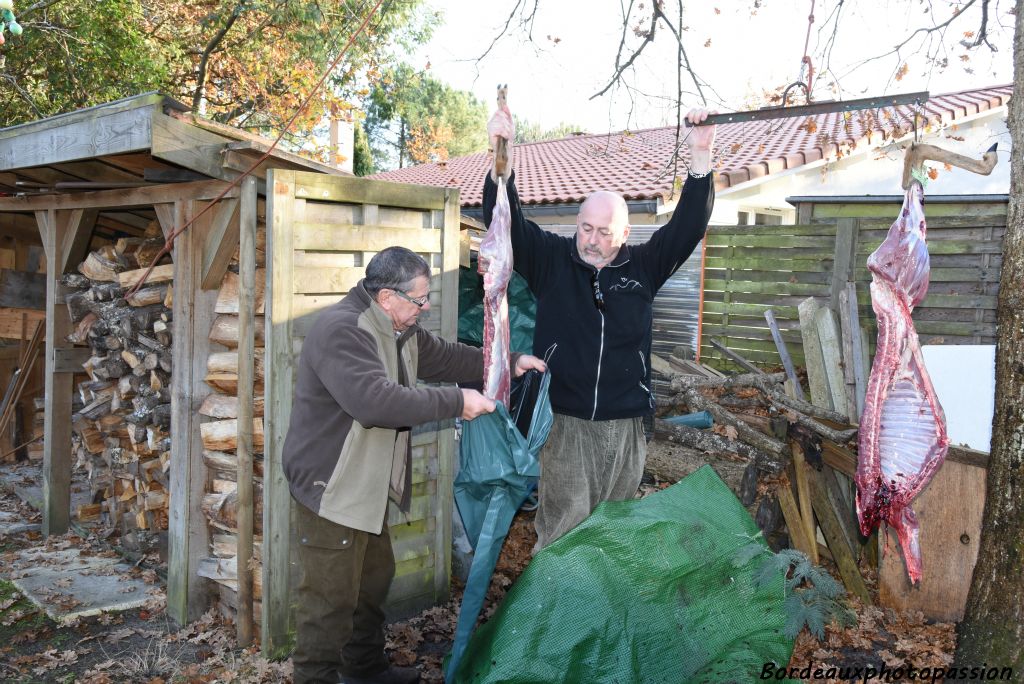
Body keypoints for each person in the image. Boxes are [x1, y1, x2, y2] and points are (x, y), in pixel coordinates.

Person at [282, 246, 545, 684]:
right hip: (331, 488)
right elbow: (375, 402)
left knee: (371, 586)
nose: (424, 309)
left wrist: (508, 361)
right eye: (420, 300)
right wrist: (457, 401)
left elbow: (446, 356)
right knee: (327, 608)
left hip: (363, 487)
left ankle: (365, 673)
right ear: (388, 297)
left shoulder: (399, 329)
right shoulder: (342, 331)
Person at [484, 106, 717, 551]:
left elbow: (688, 226)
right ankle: (552, 618)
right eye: (586, 229)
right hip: (566, 424)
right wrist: (501, 156)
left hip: (626, 426)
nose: (591, 240)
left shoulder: (644, 268)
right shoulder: (552, 260)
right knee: (562, 537)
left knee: (615, 538)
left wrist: (700, 155)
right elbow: (506, 222)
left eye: (604, 232)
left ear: (625, 232)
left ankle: (599, 618)